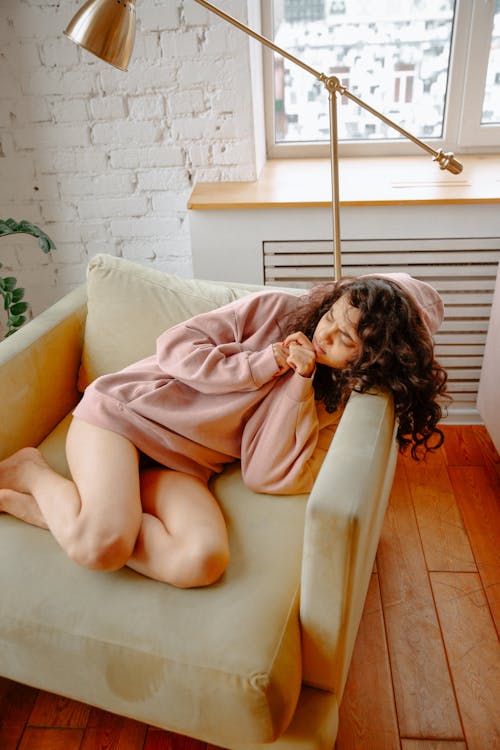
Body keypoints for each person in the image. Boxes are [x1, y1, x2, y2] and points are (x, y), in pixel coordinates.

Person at [0, 272, 448, 588]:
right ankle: (31, 473)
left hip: (182, 464)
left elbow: (265, 474)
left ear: (372, 360)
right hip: (123, 417)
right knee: (102, 547)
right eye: (333, 315)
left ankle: (89, 508)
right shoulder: (276, 310)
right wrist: (265, 361)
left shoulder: (333, 400)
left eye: (346, 341)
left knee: (202, 560)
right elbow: (175, 347)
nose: (325, 334)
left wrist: (299, 381)